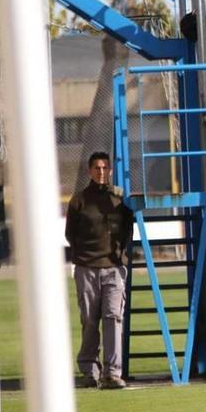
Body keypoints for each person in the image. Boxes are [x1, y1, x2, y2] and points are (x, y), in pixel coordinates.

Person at [64, 152, 134, 390]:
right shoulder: (79, 200)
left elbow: (127, 230)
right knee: (89, 321)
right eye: (96, 168)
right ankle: (89, 370)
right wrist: (84, 257)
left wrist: (120, 257)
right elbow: (69, 234)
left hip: (114, 269)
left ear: (110, 170)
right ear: (89, 171)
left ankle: (112, 373)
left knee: (113, 318)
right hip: (87, 269)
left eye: (105, 168)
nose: (101, 172)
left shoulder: (120, 199)